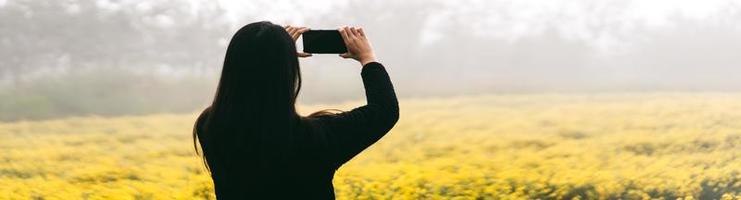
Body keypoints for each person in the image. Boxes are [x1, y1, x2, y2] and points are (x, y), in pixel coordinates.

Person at [192, 21, 399, 199]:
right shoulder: (317, 137)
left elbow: (252, 94)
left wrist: (276, 56)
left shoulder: (210, 127)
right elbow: (385, 110)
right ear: (288, 73)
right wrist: (368, 58)